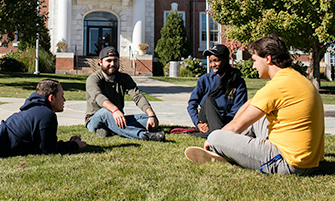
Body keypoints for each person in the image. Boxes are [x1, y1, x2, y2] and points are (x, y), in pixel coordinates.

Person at [188, 35, 325, 175]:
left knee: (216, 137)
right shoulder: (295, 78)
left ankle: (222, 150)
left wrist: (214, 141)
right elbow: (250, 103)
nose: (253, 66)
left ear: (267, 58)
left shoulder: (277, 86)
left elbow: (236, 126)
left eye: (254, 60)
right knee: (257, 118)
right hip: (312, 162)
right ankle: (230, 149)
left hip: (289, 163)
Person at [0, 79, 86, 159]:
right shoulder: (46, 115)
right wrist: (74, 145)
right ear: (51, 98)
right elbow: (49, 151)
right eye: (62, 96)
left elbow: (43, 146)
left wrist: (67, 143)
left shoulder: (34, 109)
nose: (64, 100)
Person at [85, 46, 165, 141]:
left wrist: (151, 115)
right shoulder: (93, 79)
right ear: (100, 62)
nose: (112, 64)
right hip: (95, 119)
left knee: (147, 118)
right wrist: (115, 110)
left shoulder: (124, 78)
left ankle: (110, 129)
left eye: (115, 60)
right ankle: (144, 135)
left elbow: (137, 96)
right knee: (106, 112)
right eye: (109, 61)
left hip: (117, 117)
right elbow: (99, 97)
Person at [186, 44, 247, 138]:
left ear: (226, 60)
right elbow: (192, 104)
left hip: (225, 122)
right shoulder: (204, 79)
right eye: (210, 61)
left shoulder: (237, 82)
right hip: (206, 119)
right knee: (208, 100)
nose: (213, 65)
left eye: (216, 60)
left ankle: (214, 133)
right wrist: (198, 124)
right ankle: (217, 135)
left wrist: (220, 120)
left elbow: (238, 110)